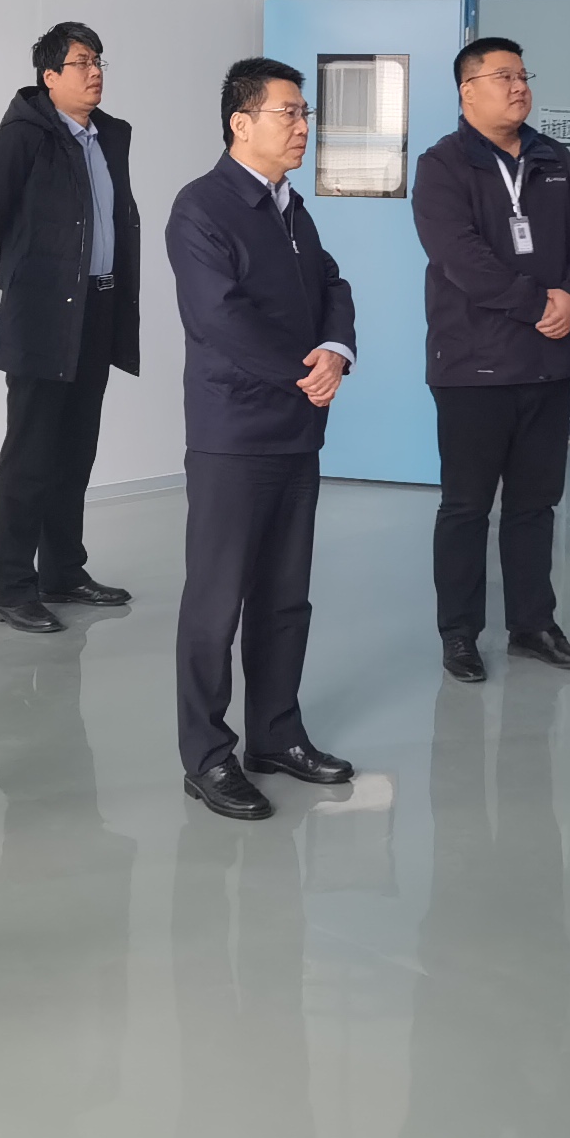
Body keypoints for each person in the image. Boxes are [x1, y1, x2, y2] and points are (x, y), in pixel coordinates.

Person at [165, 57, 361, 820]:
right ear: (240, 123)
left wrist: (335, 350)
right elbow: (219, 318)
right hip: (233, 435)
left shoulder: (291, 208)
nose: (303, 126)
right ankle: (207, 756)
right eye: (289, 112)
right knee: (215, 604)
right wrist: (303, 373)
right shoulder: (202, 208)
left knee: (285, 599)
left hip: (295, 432)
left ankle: (276, 735)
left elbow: (333, 283)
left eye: (305, 113)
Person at [412, 35, 570, 682]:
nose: (519, 87)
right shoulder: (443, 166)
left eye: (523, 76)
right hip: (473, 366)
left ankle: (532, 625)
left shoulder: (554, 159)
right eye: (504, 76)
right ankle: (459, 635)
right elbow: (460, 257)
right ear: (467, 90)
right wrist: (536, 303)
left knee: (535, 505)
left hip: (547, 362)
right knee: (466, 507)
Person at [0, 21, 141, 632]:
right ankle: (13, 589)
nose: (94, 72)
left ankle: (63, 572)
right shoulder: (18, 141)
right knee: (30, 454)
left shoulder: (109, 137)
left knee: (76, 450)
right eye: (80, 62)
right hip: (42, 316)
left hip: (97, 309)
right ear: (49, 77)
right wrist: (17, 290)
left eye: (98, 61)